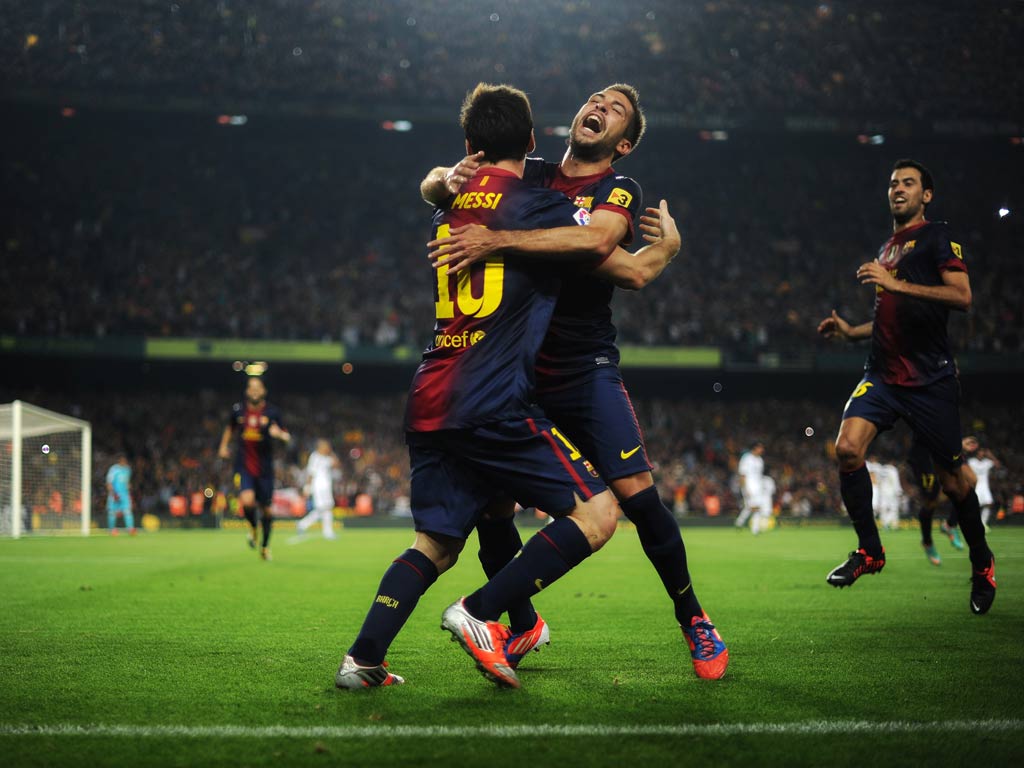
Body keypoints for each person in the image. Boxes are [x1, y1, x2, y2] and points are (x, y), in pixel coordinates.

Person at [336, 83, 679, 691]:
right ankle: (477, 613)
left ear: (470, 144)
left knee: (436, 543)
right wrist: (665, 249)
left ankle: (362, 661)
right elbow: (619, 260)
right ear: (530, 142)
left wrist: (441, 178)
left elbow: (434, 186)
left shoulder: (454, 201)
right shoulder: (537, 204)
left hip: (431, 393)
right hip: (491, 396)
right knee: (599, 514)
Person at [421, 84, 727, 680]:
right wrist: (444, 181)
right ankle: (519, 624)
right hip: (511, 368)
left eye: (615, 110)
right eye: (596, 99)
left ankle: (693, 616)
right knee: (493, 508)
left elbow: (601, 243)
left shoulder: (619, 189)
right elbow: (438, 183)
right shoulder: (527, 172)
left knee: (638, 497)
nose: (600, 108)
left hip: (581, 366)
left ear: (625, 142)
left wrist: (500, 238)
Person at [817, 158, 996, 614]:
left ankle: (981, 564)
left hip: (929, 378)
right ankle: (870, 551)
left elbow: (962, 297)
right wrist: (848, 331)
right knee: (848, 449)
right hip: (881, 373)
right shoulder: (886, 248)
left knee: (955, 484)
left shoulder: (938, 237)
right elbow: (885, 316)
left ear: (926, 195)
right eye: (893, 183)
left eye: (909, 183)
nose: (898, 188)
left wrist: (894, 282)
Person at [218, 376, 291, 561]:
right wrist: (223, 446)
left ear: (264, 391)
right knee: (247, 501)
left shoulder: (273, 413)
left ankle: (265, 547)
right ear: (247, 392)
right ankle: (252, 527)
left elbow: (287, 437)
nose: (255, 391)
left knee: (267, 511)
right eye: (252, 388)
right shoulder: (238, 411)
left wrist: (280, 435)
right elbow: (229, 428)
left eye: (258, 387)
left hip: (265, 469)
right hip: (244, 466)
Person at [297, 439, 340, 539]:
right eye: (326, 446)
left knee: (326, 508)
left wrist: (331, 453)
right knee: (323, 508)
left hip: (326, 487)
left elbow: (336, 464)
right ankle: (304, 525)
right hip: (318, 487)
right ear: (320, 447)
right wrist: (307, 487)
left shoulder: (326, 458)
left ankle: (326, 531)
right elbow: (311, 473)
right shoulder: (315, 457)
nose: (327, 448)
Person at [964, 435, 1000, 530]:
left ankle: (983, 523)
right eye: (980, 451)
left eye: (983, 452)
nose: (981, 453)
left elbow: (997, 465)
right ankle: (970, 523)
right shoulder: (971, 461)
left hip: (985, 487)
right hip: (975, 485)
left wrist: (990, 455)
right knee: (973, 505)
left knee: (988, 503)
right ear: (977, 453)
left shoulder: (987, 462)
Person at [735, 441, 765, 531]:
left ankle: (740, 523)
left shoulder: (760, 460)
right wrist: (744, 487)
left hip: (758, 487)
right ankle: (754, 528)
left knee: (755, 507)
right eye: (760, 448)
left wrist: (761, 487)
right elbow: (742, 474)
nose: (762, 450)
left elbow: (759, 475)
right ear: (755, 448)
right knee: (753, 507)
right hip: (749, 486)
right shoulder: (746, 458)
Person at [105, 453, 134, 535]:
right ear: (119, 461)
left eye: (125, 461)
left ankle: (130, 529)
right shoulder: (113, 469)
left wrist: (129, 491)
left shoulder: (127, 469)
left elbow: (127, 482)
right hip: (115, 494)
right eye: (122, 460)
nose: (124, 462)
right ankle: (111, 529)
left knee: (127, 511)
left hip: (125, 495)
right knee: (112, 512)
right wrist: (113, 493)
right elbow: (109, 483)